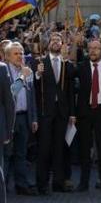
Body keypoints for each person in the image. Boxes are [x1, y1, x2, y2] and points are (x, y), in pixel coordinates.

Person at [33, 33, 75, 195]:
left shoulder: (66, 63)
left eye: (59, 40)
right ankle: (42, 184)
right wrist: (38, 74)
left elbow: (71, 86)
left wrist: (72, 113)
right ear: (48, 44)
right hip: (45, 112)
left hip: (62, 113)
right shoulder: (39, 62)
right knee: (44, 149)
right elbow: (34, 86)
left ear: (63, 44)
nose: (56, 42)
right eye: (53, 40)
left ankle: (59, 182)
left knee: (60, 148)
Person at [75, 40, 101, 193]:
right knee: (85, 150)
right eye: (90, 48)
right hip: (85, 113)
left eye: (96, 48)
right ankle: (83, 183)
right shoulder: (81, 66)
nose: (93, 51)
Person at [4, 42, 36, 196]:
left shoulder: (27, 70)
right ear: (7, 56)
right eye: (16, 54)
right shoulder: (3, 71)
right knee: (6, 154)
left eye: (21, 53)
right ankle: (4, 185)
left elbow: (32, 96)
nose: (20, 56)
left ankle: (21, 185)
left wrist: (34, 118)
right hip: (8, 120)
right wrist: (23, 76)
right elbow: (12, 93)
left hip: (23, 117)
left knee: (21, 153)